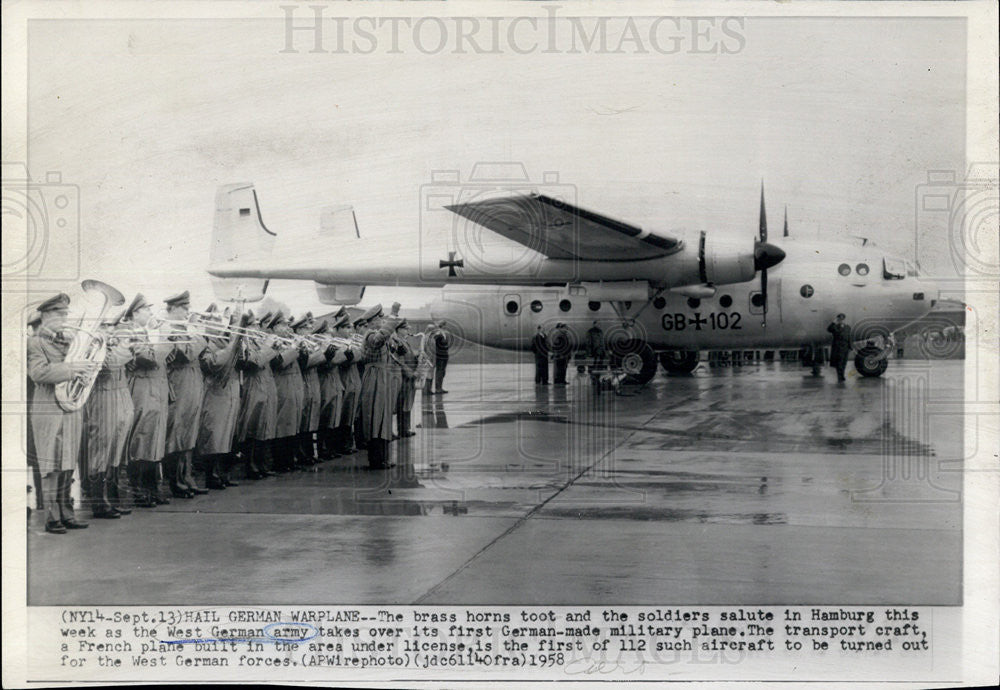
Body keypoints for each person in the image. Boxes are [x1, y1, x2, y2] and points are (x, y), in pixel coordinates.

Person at [27, 293, 97, 533]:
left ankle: (67, 513)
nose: (66, 318)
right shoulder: (36, 342)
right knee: (51, 462)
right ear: (46, 316)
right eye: (60, 314)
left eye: (66, 313)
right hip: (48, 407)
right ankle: (51, 516)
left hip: (70, 407)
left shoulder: (66, 341)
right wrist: (71, 369)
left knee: (67, 461)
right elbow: (38, 373)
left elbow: (76, 369)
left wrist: (84, 372)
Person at [82, 311, 135, 518]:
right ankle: (98, 501)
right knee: (101, 449)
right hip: (103, 397)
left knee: (116, 449)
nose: (110, 330)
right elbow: (108, 365)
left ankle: (112, 498)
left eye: (112, 326)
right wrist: (125, 345)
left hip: (121, 395)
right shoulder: (91, 345)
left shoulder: (111, 344)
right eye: (105, 326)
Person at [124, 293, 172, 507]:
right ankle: (138, 490)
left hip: (157, 387)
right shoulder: (131, 331)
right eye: (147, 310)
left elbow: (166, 359)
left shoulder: (146, 333)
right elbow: (148, 358)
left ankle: (151, 488)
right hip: (142, 386)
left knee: (155, 438)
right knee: (142, 437)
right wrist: (163, 337)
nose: (151, 314)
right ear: (135, 313)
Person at [163, 291, 209, 498]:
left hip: (192, 382)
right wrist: (200, 334)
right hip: (179, 383)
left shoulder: (185, 329)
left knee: (189, 433)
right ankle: (177, 481)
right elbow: (187, 353)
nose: (187, 312)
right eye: (184, 308)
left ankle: (186, 477)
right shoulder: (168, 329)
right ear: (171, 309)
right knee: (177, 433)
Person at [196, 310, 244, 489]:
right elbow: (212, 363)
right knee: (214, 435)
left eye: (219, 320)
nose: (217, 323)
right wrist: (231, 346)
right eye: (213, 320)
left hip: (230, 392)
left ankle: (223, 473)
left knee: (228, 434)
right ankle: (212, 475)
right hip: (215, 391)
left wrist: (238, 344)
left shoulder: (224, 341)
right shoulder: (205, 342)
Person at [234, 312, 278, 479]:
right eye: (253, 325)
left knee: (265, 425)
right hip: (254, 385)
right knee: (253, 425)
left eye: (258, 325)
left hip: (266, 384)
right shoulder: (244, 342)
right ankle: (251, 465)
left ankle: (262, 463)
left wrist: (276, 348)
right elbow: (254, 363)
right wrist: (268, 346)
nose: (257, 328)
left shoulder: (257, 341)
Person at [358, 302, 402, 469]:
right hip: (375, 378)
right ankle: (376, 459)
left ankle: (382, 457)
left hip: (382, 377)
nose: (382, 321)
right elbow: (379, 339)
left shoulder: (376, 334)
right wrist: (393, 316)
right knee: (375, 418)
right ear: (373, 320)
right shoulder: (370, 335)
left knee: (382, 418)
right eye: (380, 318)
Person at [268, 312, 305, 472]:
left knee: (293, 423)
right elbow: (278, 363)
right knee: (282, 424)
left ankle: (290, 459)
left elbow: (302, 365)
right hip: (282, 385)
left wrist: (302, 351)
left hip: (294, 385)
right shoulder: (272, 342)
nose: (287, 328)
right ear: (274, 327)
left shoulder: (287, 341)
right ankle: (281, 462)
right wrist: (293, 348)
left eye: (287, 325)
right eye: (283, 325)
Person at [293, 313, 326, 465]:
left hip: (313, 384)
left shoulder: (308, 343)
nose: (308, 331)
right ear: (298, 330)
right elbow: (304, 364)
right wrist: (322, 354)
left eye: (309, 328)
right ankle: (302, 454)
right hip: (304, 384)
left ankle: (309, 453)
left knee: (311, 421)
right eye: (305, 328)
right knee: (303, 422)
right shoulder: (298, 344)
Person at [393, 320, 418, 438]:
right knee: (402, 403)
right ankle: (402, 429)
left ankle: (405, 428)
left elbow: (409, 356)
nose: (408, 331)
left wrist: (418, 357)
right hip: (404, 377)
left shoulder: (405, 341)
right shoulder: (397, 342)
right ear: (398, 329)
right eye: (406, 329)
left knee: (408, 402)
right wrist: (409, 373)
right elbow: (399, 360)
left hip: (409, 376)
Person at [827, 313, 853, 382]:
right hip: (838, 347)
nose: (842, 320)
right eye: (840, 319)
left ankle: (842, 375)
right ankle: (840, 376)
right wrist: (833, 322)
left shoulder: (848, 327)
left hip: (846, 347)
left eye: (843, 319)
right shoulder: (835, 327)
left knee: (844, 362)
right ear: (838, 320)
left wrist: (850, 346)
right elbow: (829, 329)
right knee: (839, 363)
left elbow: (849, 337)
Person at [431, 321, 450, 394]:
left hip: (444, 354)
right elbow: (436, 343)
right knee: (439, 371)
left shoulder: (444, 333)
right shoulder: (438, 334)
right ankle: (438, 388)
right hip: (440, 355)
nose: (445, 327)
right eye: (443, 325)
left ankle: (440, 387)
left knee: (442, 371)